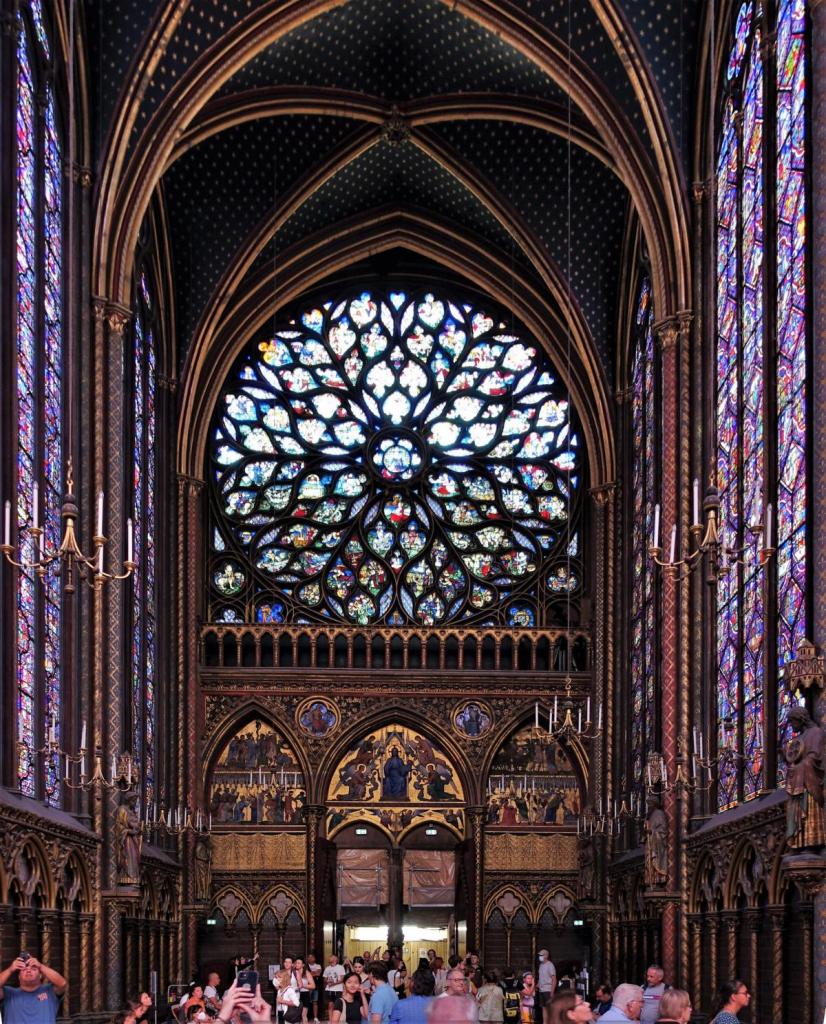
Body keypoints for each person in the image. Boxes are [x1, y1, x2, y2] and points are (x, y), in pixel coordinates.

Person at [0, 956, 67, 1024]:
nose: (28, 970)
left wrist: (40, 966)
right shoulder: (9, 993)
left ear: (40, 975)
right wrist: (10, 969)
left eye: (33, 969)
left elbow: (62, 983)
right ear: (19, 977)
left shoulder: (49, 991)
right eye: (24, 969)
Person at [324, 956, 346, 1021]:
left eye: (331, 958)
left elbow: (342, 979)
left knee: (338, 1006)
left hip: (338, 990)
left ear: (335, 959)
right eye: (330, 958)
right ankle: (331, 1021)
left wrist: (334, 983)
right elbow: (325, 979)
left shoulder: (341, 967)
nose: (329, 959)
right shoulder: (327, 968)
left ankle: (338, 1020)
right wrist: (327, 981)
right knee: (330, 1005)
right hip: (329, 989)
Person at [537, 950, 557, 1021]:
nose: (540, 957)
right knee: (543, 1008)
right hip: (541, 990)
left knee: (549, 1008)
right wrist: (538, 984)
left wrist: (552, 992)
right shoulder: (541, 965)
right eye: (540, 955)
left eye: (541, 955)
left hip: (548, 990)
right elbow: (541, 977)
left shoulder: (550, 965)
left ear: (546, 956)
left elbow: (554, 979)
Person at [308, 955, 323, 1024]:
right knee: (306, 1002)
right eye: (309, 957)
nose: (310, 958)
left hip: (315, 986)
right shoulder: (305, 965)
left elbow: (318, 973)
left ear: (315, 958)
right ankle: (306, 1016)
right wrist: (314, 973)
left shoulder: (318, 965)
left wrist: (310, 974)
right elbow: (305, 975)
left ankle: (315, 1017)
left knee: (315, 1002)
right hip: (306, 987)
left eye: (312, 957)